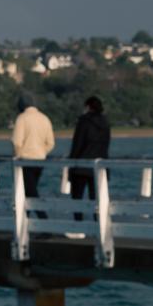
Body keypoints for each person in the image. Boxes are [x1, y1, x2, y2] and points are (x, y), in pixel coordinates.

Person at [67, 96, 110, 230]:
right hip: (100, 165)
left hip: (81, 166)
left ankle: (78, 227)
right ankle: (99, 226)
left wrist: (71, 165)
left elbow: (77, 144)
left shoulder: (84, 122)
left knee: (77, 198)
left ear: (88, 107)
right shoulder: (105, 123)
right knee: (97, 199)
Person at [12, 94, 55, 217]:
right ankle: (26, 221)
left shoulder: (22, 118)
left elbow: (17, 142)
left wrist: (18, 156)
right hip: (40, 161)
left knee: (30, 191)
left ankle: (42, 219)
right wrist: (42, 152)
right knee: (29, 190)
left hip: (25, 161)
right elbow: (50, 143)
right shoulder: (44, 118)